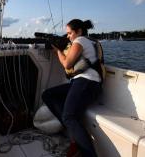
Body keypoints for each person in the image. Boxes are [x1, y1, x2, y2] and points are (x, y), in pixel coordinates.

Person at [42, 19, 101, 157]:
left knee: (69, 116)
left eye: (69, 33)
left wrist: (57, 50)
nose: (68, 36)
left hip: (87, 82)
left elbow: (67, 64)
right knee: (48, 95)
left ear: (79, 31)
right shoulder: (86, 41)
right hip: (80, 82)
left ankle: (88, 154)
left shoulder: (80, 40)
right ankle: (74, 134)